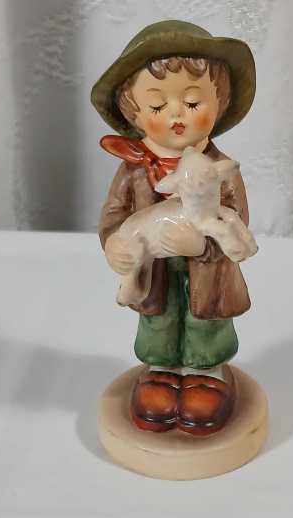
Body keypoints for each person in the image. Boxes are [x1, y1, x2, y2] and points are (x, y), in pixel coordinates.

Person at [91, 20, 256, 436]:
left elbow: (237, 220)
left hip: (208, 273)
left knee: (204, 318)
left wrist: (200, 245)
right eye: (157, 107)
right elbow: (114, 214)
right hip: (154, 269)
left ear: (220, 103)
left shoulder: (221, 170)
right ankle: (161, 370)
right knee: (160, 317)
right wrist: (113, 244)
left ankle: (205, 373)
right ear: (133, 112)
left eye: (192, 101)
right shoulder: (133, 170)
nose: (176, 115)